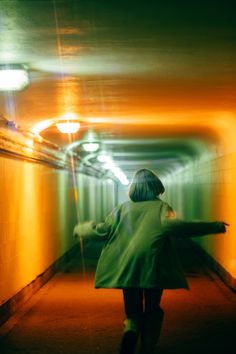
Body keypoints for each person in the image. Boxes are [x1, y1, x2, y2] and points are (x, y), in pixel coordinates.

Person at [73, 168, 228, 354]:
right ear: (156, 187)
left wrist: (81, 229)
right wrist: (214, 226)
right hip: (153, 264)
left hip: (127, 264)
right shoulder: (162, 208)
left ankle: (131, 329)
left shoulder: (122, 208)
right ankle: (148, 344)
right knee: (153, 306)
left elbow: (103, 230)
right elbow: (178, 227)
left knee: (132, 308)